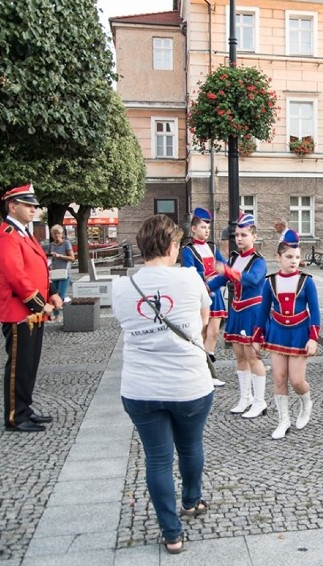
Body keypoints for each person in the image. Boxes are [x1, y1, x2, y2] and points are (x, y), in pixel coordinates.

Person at [112, 214, 214, 554]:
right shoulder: (189, 277)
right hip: (189, 384)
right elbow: (203, 319)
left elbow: (127, 324)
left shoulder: (122, 286)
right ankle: (191, 500)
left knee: (157, 460)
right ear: (172, 246)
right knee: (190, 447)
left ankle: (172, 534)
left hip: (140, 387)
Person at [0, 184, 63, 432]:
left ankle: (25, 409)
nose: (34, 210)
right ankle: (15, 416)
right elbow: (16, 276)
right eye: (28, 205)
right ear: (13, 206)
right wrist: (40, 304)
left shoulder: (24, 233)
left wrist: (52, 293)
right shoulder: (6, 234)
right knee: (18, 366)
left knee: (29, 365)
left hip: (32, 312)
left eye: (34, 206)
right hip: (19, 311)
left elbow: (39, 269)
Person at [253, 230, 320, 439]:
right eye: (289, 257)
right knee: (279, 377)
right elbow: (263, 312)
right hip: (278, 333)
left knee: (297, 380)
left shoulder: (307, 281)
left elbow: (315, 311)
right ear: (278, 257)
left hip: (300, 333)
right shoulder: (270, 282)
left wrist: (313, 337)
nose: (294, 261)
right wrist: (257, 337)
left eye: (297, 257)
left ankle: (306, 401)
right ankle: (283, 420)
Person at [208, 213, 269, 417]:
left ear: (254, 236)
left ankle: (260, 402)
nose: (239, 239)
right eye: (236, 235)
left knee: (253, 356)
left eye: (243, 234)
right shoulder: (234, 258)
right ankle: (246, 397)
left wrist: (227, 270)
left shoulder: (259, 261)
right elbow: (221, 279)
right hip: (236, 310)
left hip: (253, 312)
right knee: (240, 356)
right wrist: (205, 287)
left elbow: (252, 280)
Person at [181, 208, 227, 387]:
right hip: (200, 297)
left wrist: (219, 276)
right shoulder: (188, 250)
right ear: (193, 229)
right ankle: (199, 369)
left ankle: (210, 370)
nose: (206, 230)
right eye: (202, 227)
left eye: (208, 227)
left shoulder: (213, 247)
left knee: (214, 332)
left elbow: (224, 267)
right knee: (201, 331)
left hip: (215, 296)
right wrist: (207, 279)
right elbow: (190, 274)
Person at [47, 225, 74, 321]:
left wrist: (59, 256)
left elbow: (72, 258)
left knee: (61, 295)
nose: (56, 235)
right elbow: (49, 258)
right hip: (54, 273)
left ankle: (67, 304)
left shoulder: (66, 243)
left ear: (62, 234)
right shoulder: (51, 245)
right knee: (54, 295)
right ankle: (57, 315)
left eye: (58, 233)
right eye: (54, 233)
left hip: (64, 273)